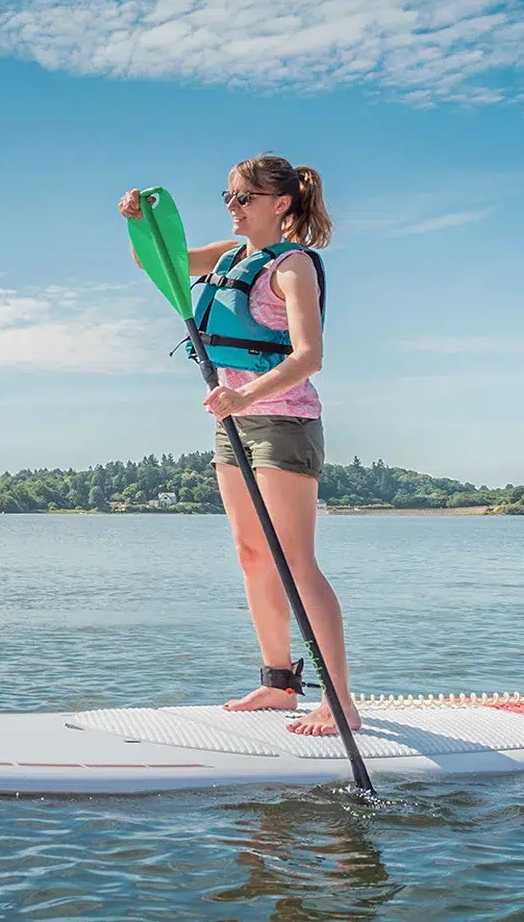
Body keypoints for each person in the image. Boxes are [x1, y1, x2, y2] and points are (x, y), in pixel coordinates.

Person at [120, 155, 358, 735]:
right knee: (253, 557)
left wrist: (245, 397)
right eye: (228, 196)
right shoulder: (228, 258)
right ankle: (279, 685)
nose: (233, 206)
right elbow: (158, 262)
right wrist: (136, 221)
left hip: (283, 423)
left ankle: (340, 700)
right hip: (232, 423)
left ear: (280, 204)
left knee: (296, 562)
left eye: (245, 197)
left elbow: (310, 356)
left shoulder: (293, 266)